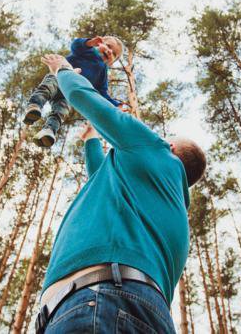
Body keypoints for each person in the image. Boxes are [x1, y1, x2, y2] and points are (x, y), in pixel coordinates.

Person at [33, 53, 207, 333]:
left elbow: (85, 97)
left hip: (98, 300)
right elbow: (103, 181)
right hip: (138, 308)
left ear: (171, 148)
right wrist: (91, 140)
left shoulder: (156, 148)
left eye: (166, 137)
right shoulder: (165, 202)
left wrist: (63, 70)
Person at [24, 36, 125, 147]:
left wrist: (115, 104)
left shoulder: (102, 71)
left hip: (68, 93)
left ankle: (49, 130)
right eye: (108, 46)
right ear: (99, 43)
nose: (110, 51)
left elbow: (102, 92)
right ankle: (34, 106)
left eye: (114, 54)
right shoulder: (88, 51)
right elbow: (75, 45)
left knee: (61, 111)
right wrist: (90, 42)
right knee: (46, 89)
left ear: (112, 62)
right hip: (59, 75)